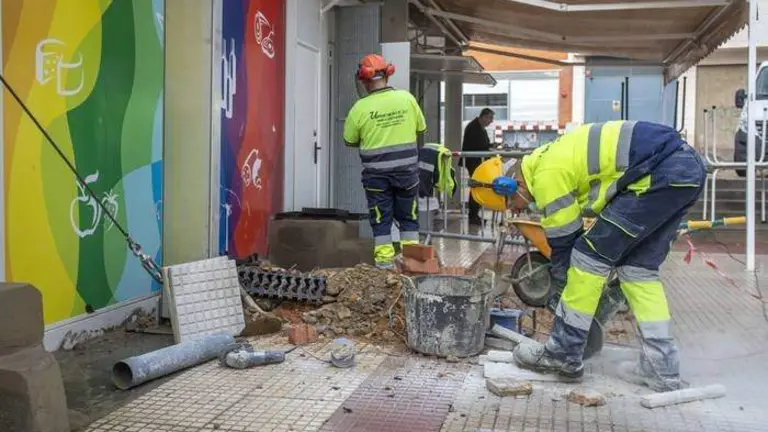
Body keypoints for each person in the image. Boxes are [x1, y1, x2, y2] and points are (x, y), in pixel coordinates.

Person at [506, 120, 705, 392]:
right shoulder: (554, 155)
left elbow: (565, 241)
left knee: (587, 258)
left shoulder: (545, 174)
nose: (515, 210)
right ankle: (661, 367)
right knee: (639, 271)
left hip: (656, 175)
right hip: (686, 170)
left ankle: (563, 353)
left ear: (517, 183)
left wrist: (561, 286)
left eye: (511, 203)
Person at [343, 54, 427, 269]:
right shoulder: (407, 99)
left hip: (376, 178)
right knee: (409, 220)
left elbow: (349, 140)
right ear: (387, 74)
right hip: (407, 174)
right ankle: (412, 265)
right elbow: (421, 128)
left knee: (381, 220)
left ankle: (384, 267)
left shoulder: (359, 108)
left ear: (364, 80)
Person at [462, 108, 495, 225]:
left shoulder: (481, 128)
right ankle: (473, 215)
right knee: (476, 187)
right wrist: (488, 148)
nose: (491, 121)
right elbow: (477, 145)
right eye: (490, 118)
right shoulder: (473, 127)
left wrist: (491, 146)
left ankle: (475, 214)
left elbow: (483, 144)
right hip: (474, 162)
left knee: (478, 187)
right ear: (484, 116)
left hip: (479, 163)